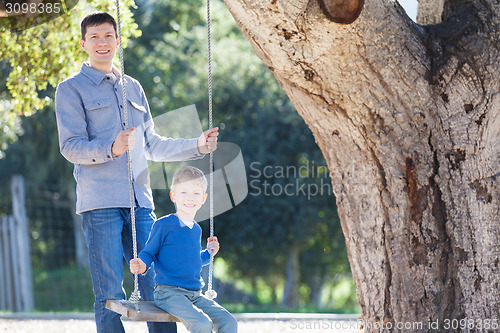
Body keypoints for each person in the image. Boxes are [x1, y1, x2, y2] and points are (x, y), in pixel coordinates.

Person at [54, 12, 219, 333]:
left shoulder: (133, 87)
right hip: (99, 203)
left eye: (107, 36)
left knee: (158, 287)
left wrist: (197, 145)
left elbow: (153, 145)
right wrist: (110, 148)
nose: (102, 43)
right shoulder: (70, 90)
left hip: (141, 204)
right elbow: (70, 146)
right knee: (109, 292)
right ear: (83, 43)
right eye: (94, 37)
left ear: (117, 41)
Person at [130, 166, 238, 333]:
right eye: (184, 193)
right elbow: (149, 252)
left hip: (195, 293)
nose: (190, 198)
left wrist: (209, 254)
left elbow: (193, 260)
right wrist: (142, 264)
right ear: (173, 196)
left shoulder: (196, 229)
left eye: (196, 193)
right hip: (168, 293)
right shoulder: (163, 225)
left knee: (229, 321)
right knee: (202, 324)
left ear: (203, 198)